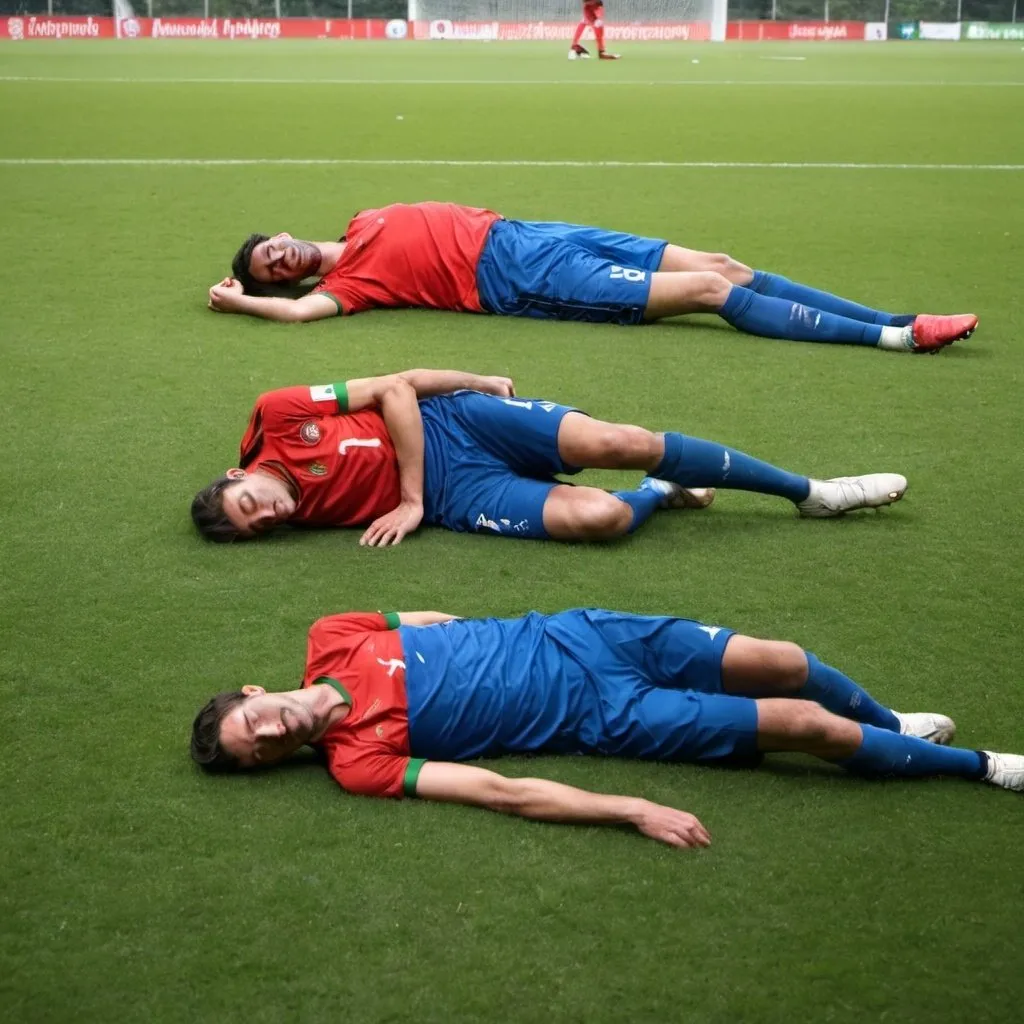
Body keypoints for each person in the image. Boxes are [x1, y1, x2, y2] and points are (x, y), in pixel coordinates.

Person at [190, 608, 1024, 848]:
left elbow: (433, 617)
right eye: (260, 750)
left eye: (254, 719)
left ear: (258, 691)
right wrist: (630, 808)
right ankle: (982, 767)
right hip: (606, 713)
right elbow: (499, 792)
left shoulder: (331, 635)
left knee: (790, 661)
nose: (270, 734)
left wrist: (497, 643)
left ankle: (894, 724)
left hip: (588, 633)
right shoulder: (358, 764)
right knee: (813, 727)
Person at [189, 368, 908, 544]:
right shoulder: (300, 518)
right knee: (601, 519)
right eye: (262, 527)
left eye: (250, 501)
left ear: (237, 471)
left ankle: (808, 491)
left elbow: (397, 390)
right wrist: (423, 503)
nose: (272, 513)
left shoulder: (277, 413)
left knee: (615, 443)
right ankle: (663, 491)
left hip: (451, 421)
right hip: (455, 496)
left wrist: (472, 378)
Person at [207, 201, 977, 353]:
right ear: (281, 282)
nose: (280, 259)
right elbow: (302, 319)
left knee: (725, 264)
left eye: (270, 249)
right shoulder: (351, 289)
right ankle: (897, 339)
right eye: (270, 272)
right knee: (711, 295)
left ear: (279, 231)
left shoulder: (364, 220)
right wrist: (244, 304)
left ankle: (890, 313)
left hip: (530, 231)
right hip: (515, 279)